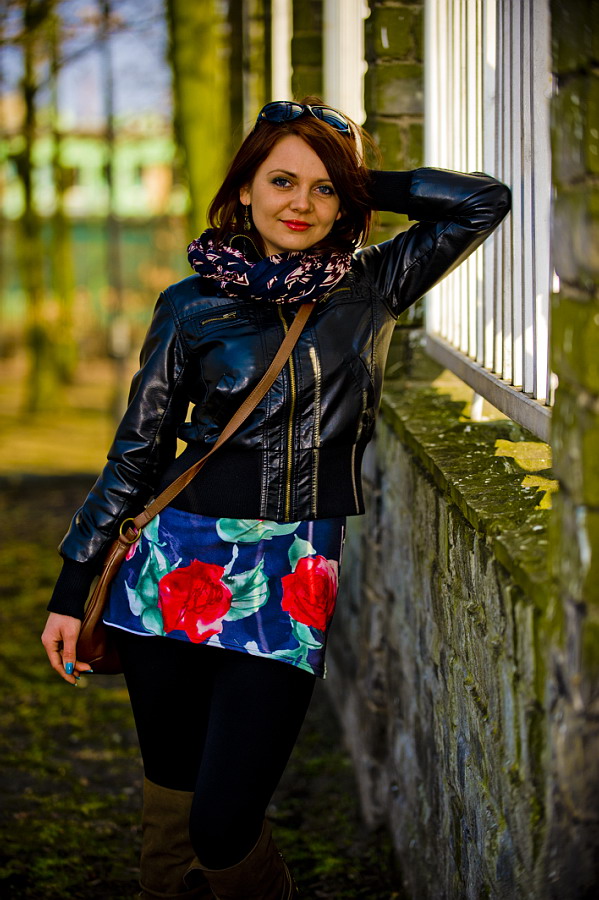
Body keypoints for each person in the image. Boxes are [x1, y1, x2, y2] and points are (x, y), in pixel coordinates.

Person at [41, 97, 510, 899]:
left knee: (224, 825)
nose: (301, 204)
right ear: (245, 189)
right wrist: (71, 587)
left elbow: (482, 201)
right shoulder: (189, 305)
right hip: (168, 566)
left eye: (324, 188)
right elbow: (137, 451)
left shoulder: (373, 283)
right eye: (282, 181)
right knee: (171, 800)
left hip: (289, 572)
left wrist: (360, 178)